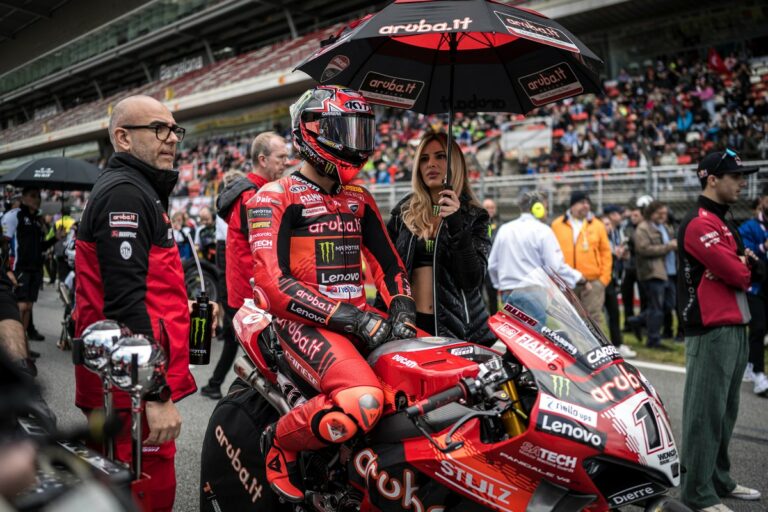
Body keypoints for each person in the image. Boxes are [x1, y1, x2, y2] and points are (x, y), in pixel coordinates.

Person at [248, 86, 416, 502]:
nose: (358, 144)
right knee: (362, 400)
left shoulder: (359, 198)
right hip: (301, 323)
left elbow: (389, 264)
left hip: (358, 322)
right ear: (311, 132)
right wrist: (354, 318)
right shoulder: (274, 195)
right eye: (348, 131)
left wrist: (403, 309)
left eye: (363, 132)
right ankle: (280, 443)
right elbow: (271, 285)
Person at [74, 94, 203, 511]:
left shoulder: (137, 188)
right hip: (129, 388)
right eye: (159, 129)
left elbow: (146, 286)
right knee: (144, 493)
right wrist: (156, 394)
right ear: (124, 138)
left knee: (120, 488)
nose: (172, 139)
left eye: (175, 130)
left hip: (126, 381)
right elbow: (125, 302)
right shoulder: (126, 194)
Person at [678, 150, 764, 511]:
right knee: (704, 414)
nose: (742, 181)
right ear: (712, 178)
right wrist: (744, 266)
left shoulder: (722, 221)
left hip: (735, 324)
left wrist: (743, 265)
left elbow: (744, 266)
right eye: (735, 175)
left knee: (725, 412)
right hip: (711, 329)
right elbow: (741, 273)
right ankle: (697, 492)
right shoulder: (700, 223)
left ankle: (719, 478)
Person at [200, 132, 288, 400]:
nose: (286, 162)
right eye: (281, 157)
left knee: (235, 341)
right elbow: (261, 248)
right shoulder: (251, 194)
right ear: (262, 159)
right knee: (264, 351)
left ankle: (216, 385)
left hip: (245, 288)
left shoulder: (254, 191)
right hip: (250, 291)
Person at [386, 130, 494, 345]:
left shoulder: (475, 216)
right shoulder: (403, 214)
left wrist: (456, 224)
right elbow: (388, 272)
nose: (431, 164)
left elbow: (472, 279)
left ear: (455, 163)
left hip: (458, 330)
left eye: (440, 156)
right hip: (411, 327)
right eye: (424, 159)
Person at [489, 191, 584, 325]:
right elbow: (555, 266)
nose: (546, 211)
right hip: (533, 292)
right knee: (531, 341)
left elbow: (492, 265)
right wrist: (578, 277)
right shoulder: (543, 230)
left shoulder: (505, 229)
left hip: (508, 292)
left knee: (514, 340)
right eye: (545, 207)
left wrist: (502, 286)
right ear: (537, 208)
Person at [1, 187, 61, 352]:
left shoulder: (37, 220)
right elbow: (3, 243)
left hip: (35, 270)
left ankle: (22, 346)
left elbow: (41, 247)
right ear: (24, 197)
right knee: (20, 308)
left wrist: (56, 238)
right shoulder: (15, 215)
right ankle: (12, 349)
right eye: (33, 196)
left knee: (28, 308)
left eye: (39, 197)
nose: (37, 200)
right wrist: (7, 269)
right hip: (19, 268)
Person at [551, 191, 612, 325]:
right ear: (572, 205)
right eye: (581, 202)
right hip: (566, 281)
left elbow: (606, 253)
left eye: (587, 203)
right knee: (568, 322)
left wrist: (603, 280)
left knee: (593, 320)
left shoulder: (597, 225)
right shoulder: (557, 224)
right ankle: (573, 346)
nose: (585, 206)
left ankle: (596, 347)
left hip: (593, 282)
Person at [629, 200, 677, 348]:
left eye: (664, 213)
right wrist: (667, 247)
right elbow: (643, 249)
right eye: (659, 213)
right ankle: (653, 339)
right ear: (651, 213)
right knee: (657, 308)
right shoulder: (643, 229)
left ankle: (637, 321)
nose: (663, 216)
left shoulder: (665, 227)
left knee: (668, 305)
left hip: (669, 271)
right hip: (653, 272)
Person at [738, 186, 768, 396]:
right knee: (757, 327)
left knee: (763, 330)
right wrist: (764, 247)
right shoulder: (749, 226)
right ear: (762, 200)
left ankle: (750, 364)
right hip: (755, 286)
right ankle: (758, 373)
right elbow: (744, 253)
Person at [603, 205, 636, 358]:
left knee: (614, 313)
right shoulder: (597, 237)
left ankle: (617, 343)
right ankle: (599, 345)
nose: (607, 227)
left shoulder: (617, 232)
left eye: (608, 225)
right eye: (605, 224)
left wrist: (621, 254)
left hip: (613, 277)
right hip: (601, 280)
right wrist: (615, 254)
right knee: (596, 315)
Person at [482, 197, 500, 315]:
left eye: (492, 207)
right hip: (479, 263)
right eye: (487, 207)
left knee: (492, 295)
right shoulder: (475, 223)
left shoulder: (500, 225)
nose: (490, 210)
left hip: (492, 265)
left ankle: (494, 317)